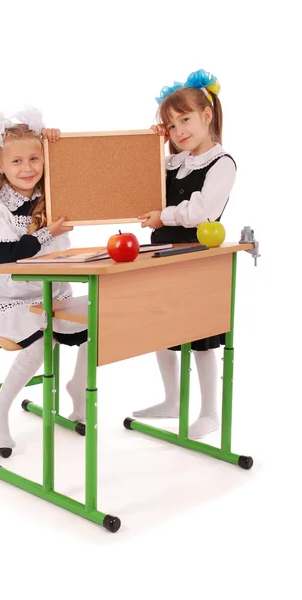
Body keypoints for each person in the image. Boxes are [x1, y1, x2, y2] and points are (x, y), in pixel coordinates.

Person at [0, 106, 88, 451]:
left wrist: (57, 145)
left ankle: (78, 386)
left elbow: (94, 177)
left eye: (35, 158)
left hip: (55, 295)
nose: (27, 168)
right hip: (11, 303)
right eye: (17, 162)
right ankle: (0, 407)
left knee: (100, 315)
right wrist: (46, 233)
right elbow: (6, 256)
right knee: (45, 332)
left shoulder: (55, 195)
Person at [133, 70, 237, 440]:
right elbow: (140, 177)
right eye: (170, 125)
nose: (178, 131)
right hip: (161, 250)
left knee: (200, 336)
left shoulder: (221, 163)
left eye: (185, 120)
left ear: (207, 116)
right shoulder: (173, 162)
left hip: (194, 255)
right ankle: (172, 400)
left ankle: (209, 411)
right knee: (162, 328)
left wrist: (164, 215)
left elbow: (203, 210)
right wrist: (152, 144)